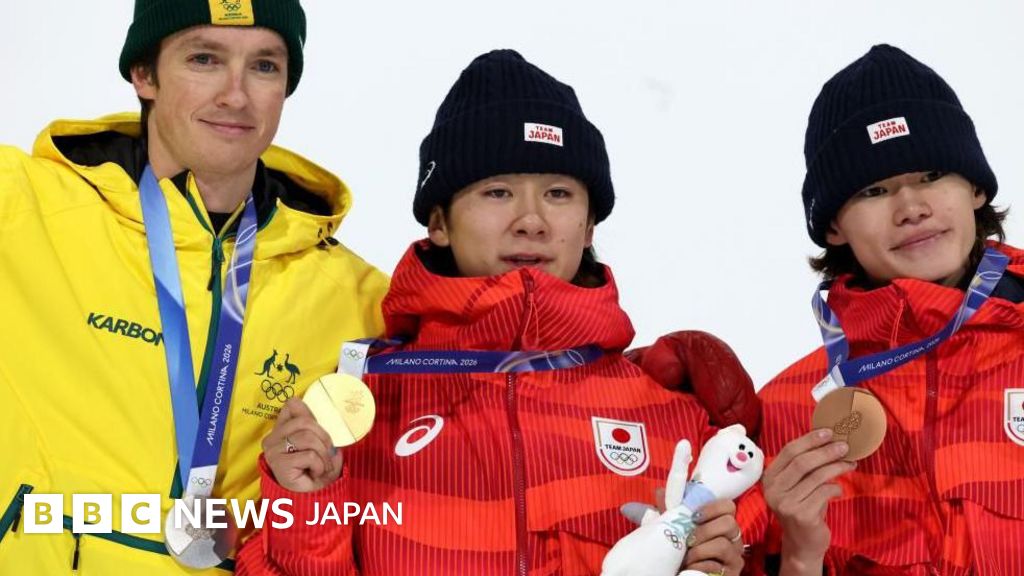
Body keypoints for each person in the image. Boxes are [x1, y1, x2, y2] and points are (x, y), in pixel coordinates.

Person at [235, 49, 755, 576]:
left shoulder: (676, 420)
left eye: (558, 193)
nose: (531, 220)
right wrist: (305, 512)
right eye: (498, 192)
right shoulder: (356, 411)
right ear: (439, 222)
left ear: (589, 226)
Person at [0, 1, 390, 573]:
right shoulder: (19, 207)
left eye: (264, 66)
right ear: (144, 74)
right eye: (204, 59)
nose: (236, 95)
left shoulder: (360, 301)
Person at [737, 44, 1024, 575]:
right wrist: (800, 557)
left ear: (975, 187)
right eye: (874, 189)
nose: (912, 208)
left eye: (931, 175)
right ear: (833, 226)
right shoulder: (785, 416)